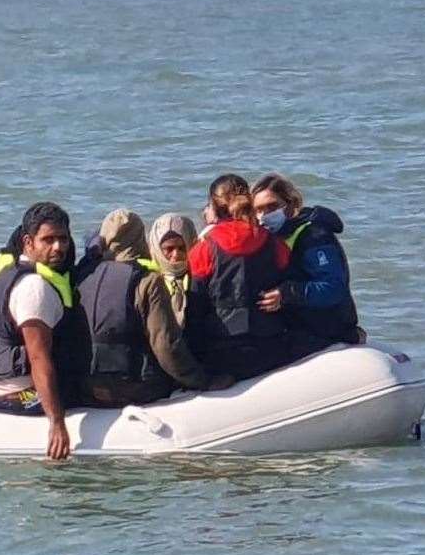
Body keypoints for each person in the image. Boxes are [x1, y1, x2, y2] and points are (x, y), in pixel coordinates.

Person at [73, 210, 224, 407]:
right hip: (134, 387)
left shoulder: (81, 276)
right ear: (139, 238)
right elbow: (165, 345)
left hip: (86, 386)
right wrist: (202, 380)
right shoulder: (147, 281)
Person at [0, 202, 76, 460]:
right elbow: (38, 357)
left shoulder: (7, 274)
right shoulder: (34, 287)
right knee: (90, 388)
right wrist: (57, 423)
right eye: (48, 240)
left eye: (63, 239)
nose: (58, 247)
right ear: (28, 242)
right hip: (17, 396)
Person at [186, 175, 304, 381]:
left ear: (214, 207)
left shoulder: (204, 249)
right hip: (270, 349)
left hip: (222, 354)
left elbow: (194, 309)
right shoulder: (275, 244)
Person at [251, 173, 362, 348]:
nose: (264, 215)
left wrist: (288, 293)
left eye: (272, 207)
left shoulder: (314, 237)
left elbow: (333, 287)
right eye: (257, 209)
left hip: (326, 330)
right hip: (293, 326)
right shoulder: (270, 238)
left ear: (290, 205)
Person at [145, 212, 199, 326]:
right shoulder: (146, 279)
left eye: (182, 248)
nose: (176, 254)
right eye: (169, 249)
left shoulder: (200, 275)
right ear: (157, 248)